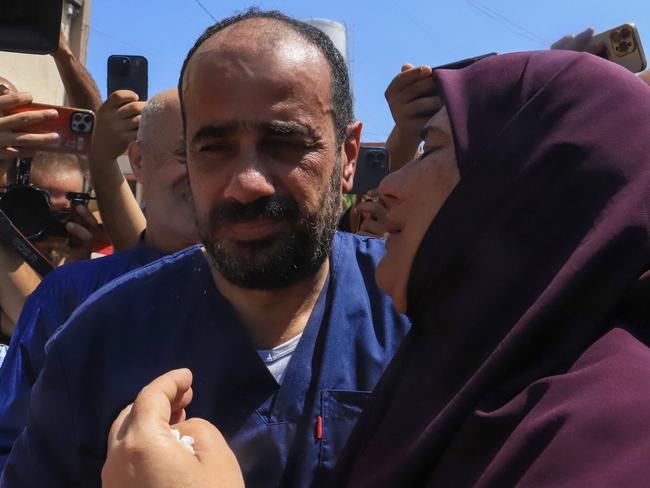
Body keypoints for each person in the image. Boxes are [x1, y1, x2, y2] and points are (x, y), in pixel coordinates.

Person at [104, 49, 650, 487]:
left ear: (524, 188)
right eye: (213, 149)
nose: (390, 184)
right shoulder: (453, 368)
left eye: (432, 149)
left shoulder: (612, 431)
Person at [1, 9, 410, 488]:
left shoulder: (423, 311)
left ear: (348, 155)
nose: (246, 184)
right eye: (213, 148)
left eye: (283, 142)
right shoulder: (93, 339)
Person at [0, 88, 199, 470]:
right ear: (139, 161)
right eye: (185, 152)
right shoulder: (70, 295)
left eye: (216, 151)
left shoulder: (276, 292)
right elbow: (12, 450)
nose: (204, 170)